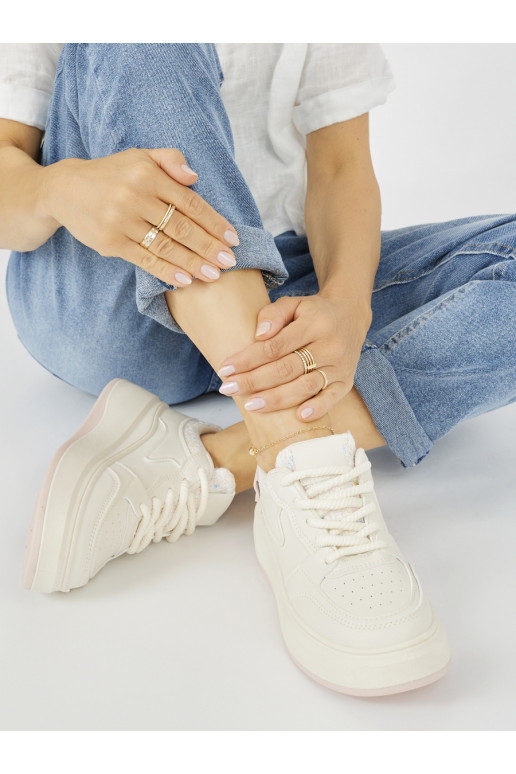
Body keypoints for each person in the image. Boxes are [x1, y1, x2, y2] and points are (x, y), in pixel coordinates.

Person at [1, 43, 515, 698]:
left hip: (271, 299)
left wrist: (346, 305)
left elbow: (339, 168)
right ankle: (302, 459)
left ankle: (213, 461)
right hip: (106, 293)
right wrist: (58, 187)